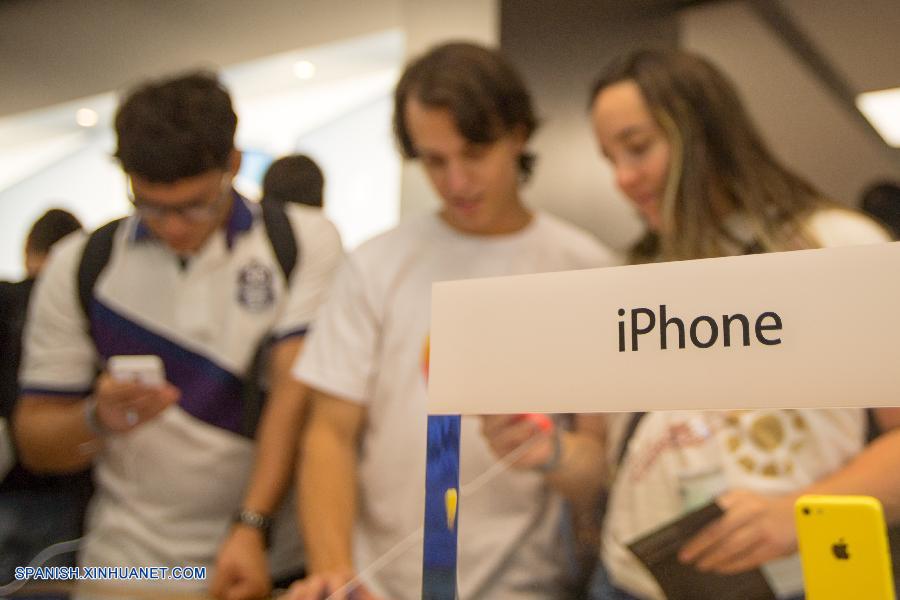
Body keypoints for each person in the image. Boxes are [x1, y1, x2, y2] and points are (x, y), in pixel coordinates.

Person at [286, 42, 616, 600]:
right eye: (434, 161)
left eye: (474, 152)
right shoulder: (375, 264)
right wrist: (335, 570)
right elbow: (329, 434)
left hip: (526, 584)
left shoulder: (584, 268)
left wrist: (551, 452)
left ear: (517, 135)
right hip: (381, 582)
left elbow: (598, 466)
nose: (456, 181)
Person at [13, 71, 343, 599]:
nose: (173, 227)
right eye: (150, 205)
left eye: (195, 205)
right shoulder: (83, 265)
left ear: (233, 165)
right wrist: (96, 417)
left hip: (269, 561)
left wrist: (251, 524)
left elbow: (293, 393)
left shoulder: (300, 242)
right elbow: (35, 441)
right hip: (127, 569)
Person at [586, 49, 894, 600]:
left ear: (702, 133)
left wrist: (797, 515)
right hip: (626, 581)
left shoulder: (838, 246)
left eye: (637, 149)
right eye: (610, 158)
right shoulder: (636, 271)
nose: (623, 179)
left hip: (794, 581)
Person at [0, 208, 85, 585]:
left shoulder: (7, 300)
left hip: (9, 484)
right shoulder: (86, 312)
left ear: (28, 254)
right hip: (70, 492)